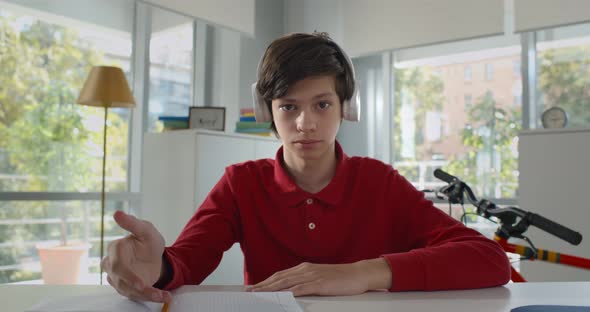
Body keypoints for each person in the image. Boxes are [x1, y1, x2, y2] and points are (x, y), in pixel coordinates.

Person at [101, 32, 511, 304]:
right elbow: (186, 262)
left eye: (322, 104)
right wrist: (157, 268)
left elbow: (489, 259)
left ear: (345, 107)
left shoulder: (379, 182)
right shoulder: (241, 183)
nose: (305, 124)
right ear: (268, 110)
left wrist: (366, 273)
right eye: (288, 107)